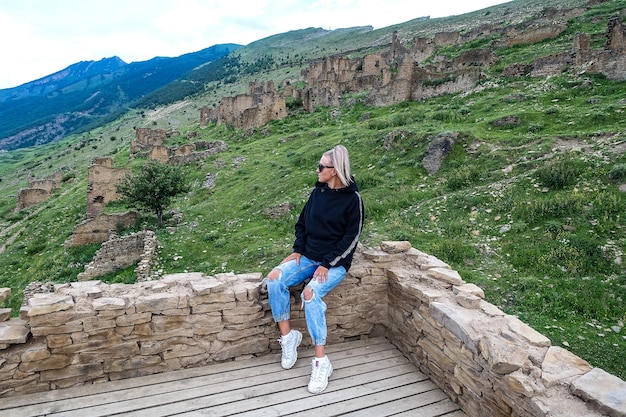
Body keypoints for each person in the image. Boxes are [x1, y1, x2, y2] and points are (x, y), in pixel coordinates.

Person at [265, 144, 365, 394]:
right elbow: (302, 223)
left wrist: (327, 263)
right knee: (274, 279)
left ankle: (321, 362)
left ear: (335, 170)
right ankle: (289, 338)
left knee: (310, 294)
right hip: (308, 257)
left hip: (333, 263)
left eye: (322, 166)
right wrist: (298, 249)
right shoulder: (317, 192)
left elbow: (351, 239)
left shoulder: (353, 200)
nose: (317, 169)